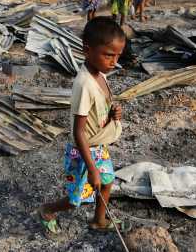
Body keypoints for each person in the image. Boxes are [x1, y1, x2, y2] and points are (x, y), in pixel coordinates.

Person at [38, 17, 129, 237]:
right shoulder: (84, 84)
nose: (114, 61)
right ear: (87, 50)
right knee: (76, 199)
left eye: (118, 55)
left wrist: (112, 113)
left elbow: (98, 110)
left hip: (98, 147)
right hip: (83, 152)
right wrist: (91, 167)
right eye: (109, 55)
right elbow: (78, 131)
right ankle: (47, 210)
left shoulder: (101, 75)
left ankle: (99, 220)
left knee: (107, 183)